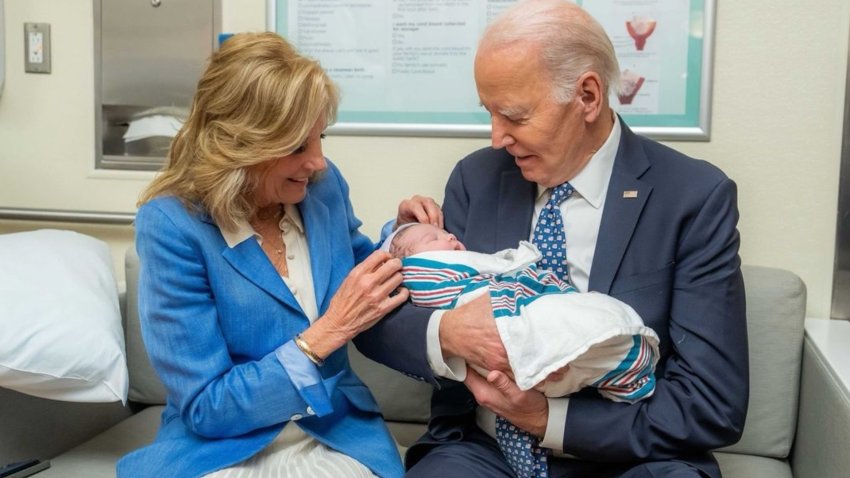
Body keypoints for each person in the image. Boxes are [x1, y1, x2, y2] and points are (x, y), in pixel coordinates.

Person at [355, 1, 749, 477]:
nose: (497, 137)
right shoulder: (476, 180)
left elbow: (713, 402)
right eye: (490, 114)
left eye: (515, 116)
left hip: (630, 456)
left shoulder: (691, 197)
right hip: (485, 449)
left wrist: (548, 419)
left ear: (587, 96)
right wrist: (446, 330)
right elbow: (376, 325)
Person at [117, 32, 421, 478]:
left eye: (320, 137)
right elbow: (206, 406)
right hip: (223, 448)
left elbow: (359, 270)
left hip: (337, 431)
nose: (318, 161)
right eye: (297, 146)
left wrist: (406, 237)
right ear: (237, 147)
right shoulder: (172, 225)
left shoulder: (320, 188)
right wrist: (325, 335)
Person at [384, 222, 660, 403]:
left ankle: (619, 356)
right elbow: (371, 311)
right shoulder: (426, 268)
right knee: (562, 325)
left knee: (581, 318)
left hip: (598, 429)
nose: (450, 235)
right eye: (435, 237)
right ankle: (622, 361)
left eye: (443, 232)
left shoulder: (689, 193)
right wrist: (445, 331)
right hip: (480, 428)